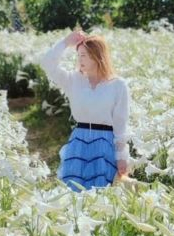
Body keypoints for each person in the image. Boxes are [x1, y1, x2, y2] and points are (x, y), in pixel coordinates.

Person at [38, 29, 131, 192]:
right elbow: (47, 63)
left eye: (84, 55)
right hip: (79, 142)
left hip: (105, 143)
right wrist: (66, 42)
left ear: (97, 56)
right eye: (78, 55)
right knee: (73, 193)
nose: (79, 60)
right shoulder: (72, 80)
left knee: (102, 195)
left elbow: (121, 123)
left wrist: (122, 157)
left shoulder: (118, 85)